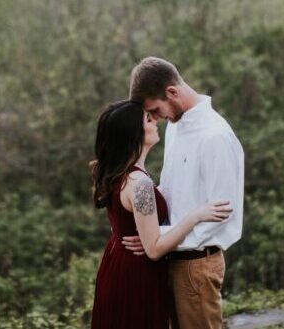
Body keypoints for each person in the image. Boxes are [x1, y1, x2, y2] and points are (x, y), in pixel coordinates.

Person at [89, 99, 234, 329]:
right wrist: (196, 215)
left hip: (118, 265)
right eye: (148, 119)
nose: (155, 120)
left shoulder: (122, 175)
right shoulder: (139, 183)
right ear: (134, 134)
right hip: (135, 274)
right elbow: (154, 249)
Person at [123, 57, 245, 329]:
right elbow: (172, 196)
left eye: (154, 110)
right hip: (170, 260)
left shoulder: (215, 135)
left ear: (172, 93)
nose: (154, 119)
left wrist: (156, 238)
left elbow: (222, 215)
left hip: (196, 266)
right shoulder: (176, 128)